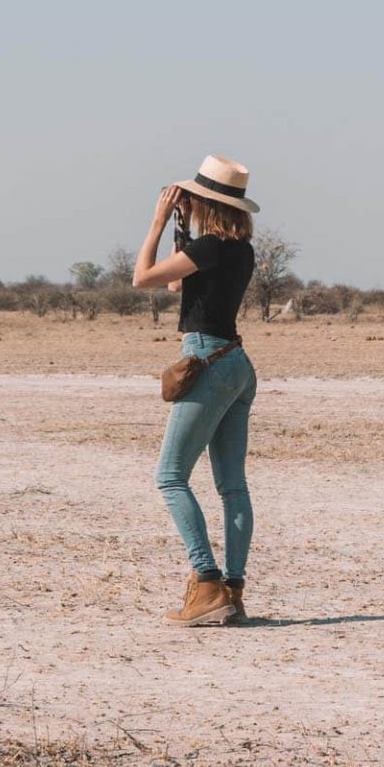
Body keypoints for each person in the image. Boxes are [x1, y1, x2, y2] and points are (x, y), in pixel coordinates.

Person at [132, 155, 259, 627]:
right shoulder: (239, 248)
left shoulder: (210, 247)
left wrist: (159, 220)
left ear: (205, 201)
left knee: (169, 475)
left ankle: (205, 584)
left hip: (207, 359)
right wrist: (180, 233)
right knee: (232, 486)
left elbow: (143, 278)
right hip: (238, 363)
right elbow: (175, 287)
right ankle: (233, 590)